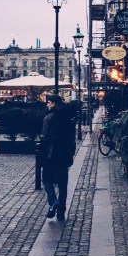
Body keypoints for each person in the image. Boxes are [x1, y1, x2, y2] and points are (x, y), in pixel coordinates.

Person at [40, 93, 76, 222]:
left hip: (51, 156)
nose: (47, 104)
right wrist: (71, 154)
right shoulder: (68, 118)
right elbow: (72, 138)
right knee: (63, 184)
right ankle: (61, 213)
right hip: (64, 156)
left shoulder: (49, 118)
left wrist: (43, 155)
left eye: (48, 102)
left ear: (53, 103)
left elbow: (44, 138)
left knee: (46, 180)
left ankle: (53, 201)